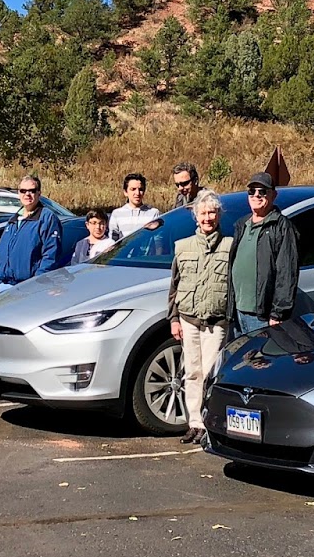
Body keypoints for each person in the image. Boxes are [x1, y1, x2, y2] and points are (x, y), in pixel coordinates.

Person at [168, 191, 231, 444]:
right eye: (203, 213)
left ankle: (209, 422)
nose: (208, 218)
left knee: (210, 373)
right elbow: (174, 286)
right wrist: (173, 319)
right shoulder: (182, 247)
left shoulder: (230, 246)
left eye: (212, 212)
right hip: (189, 319)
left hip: (217, 322)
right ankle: (194, 423)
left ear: (219, 215)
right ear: (196, 217)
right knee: (192, 372)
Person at [225, 172, 300, 338]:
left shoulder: (281, 227)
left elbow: (286, 273)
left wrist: (278, 313)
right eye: (252, 191)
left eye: (262, 191)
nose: (256, 195)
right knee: (241, 354)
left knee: (260, 354)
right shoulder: (241, 225)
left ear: (273, 195)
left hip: (262, 317)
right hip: (237, 313)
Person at [0, 175, 62, 293]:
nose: (27, 194)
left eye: (32, 191)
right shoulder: (13, 220)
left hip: (30, 287)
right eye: (23, 191)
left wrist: (38, 281)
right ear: (18, 193)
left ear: (39, 193)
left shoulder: (47, 218)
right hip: (5, 286)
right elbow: (2, 251)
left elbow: (51, 254)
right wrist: (0, 278)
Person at [109, 173, 160, 241]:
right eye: (133, 189)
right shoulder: (117, 214)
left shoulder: (153, 213)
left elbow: (158, 239)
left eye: (140, 189)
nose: (137, 193)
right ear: (125, 192)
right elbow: (113, 242)